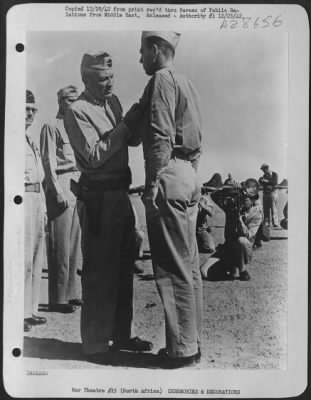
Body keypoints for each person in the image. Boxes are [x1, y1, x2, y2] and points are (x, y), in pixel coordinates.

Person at [63, 51, 152, 361]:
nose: (109, 83)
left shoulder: (112, 103)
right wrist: (126, 126)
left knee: (123, 269)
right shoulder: (77, 110)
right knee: (100, 272)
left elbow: (130, 140)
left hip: (121, 195)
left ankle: (121, 335)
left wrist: (140, 113)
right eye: (102, 79)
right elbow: (94, 155)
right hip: (99, 199)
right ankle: (96, 344)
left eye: (111, 77)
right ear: (86, 79)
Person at [137, 31, 203, 368]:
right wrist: (188, 173)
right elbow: (198, 137)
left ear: (157, 49)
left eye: (143, 51)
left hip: (168, 173)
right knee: (189, 266)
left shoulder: (162, 80)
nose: (140, 58)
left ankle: (181, 351)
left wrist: (153, 183)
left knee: (171, 267)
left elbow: (161, 135)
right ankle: (191, 342)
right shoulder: (187, 82)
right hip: (188, 174)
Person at [40, 85, 82, 314]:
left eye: (76, 99)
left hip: (77, 183)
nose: (73, 103)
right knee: (59, 244)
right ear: (60, 101)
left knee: (74, 242)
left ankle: (71, 293)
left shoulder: (75, 127)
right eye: (69, 99)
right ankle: (57, 298)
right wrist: (57, 191)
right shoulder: (51, 126)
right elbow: (48, 162)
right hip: (61, 183)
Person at [24, 90, 47, 332]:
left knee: (36, 256)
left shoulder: (29, 139)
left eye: (33, 110)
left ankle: (30, 310)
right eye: (26, 109)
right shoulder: (12, 139)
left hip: (37, 199)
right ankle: (17, 313)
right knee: (22, 259)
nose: (30, 114)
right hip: (23, 201)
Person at [224, 194, 262, 281]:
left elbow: (247, 234)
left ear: (252, 201)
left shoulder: (257, 215)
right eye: (240, 199)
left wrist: (239, 220)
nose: (241, 202)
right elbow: (215, 196)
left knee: (241, 241)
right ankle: (231, 266)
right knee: (204, 271)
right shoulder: (233, 210)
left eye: (245, 200)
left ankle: (242, 270)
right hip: (229, 248)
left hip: (245, 249)